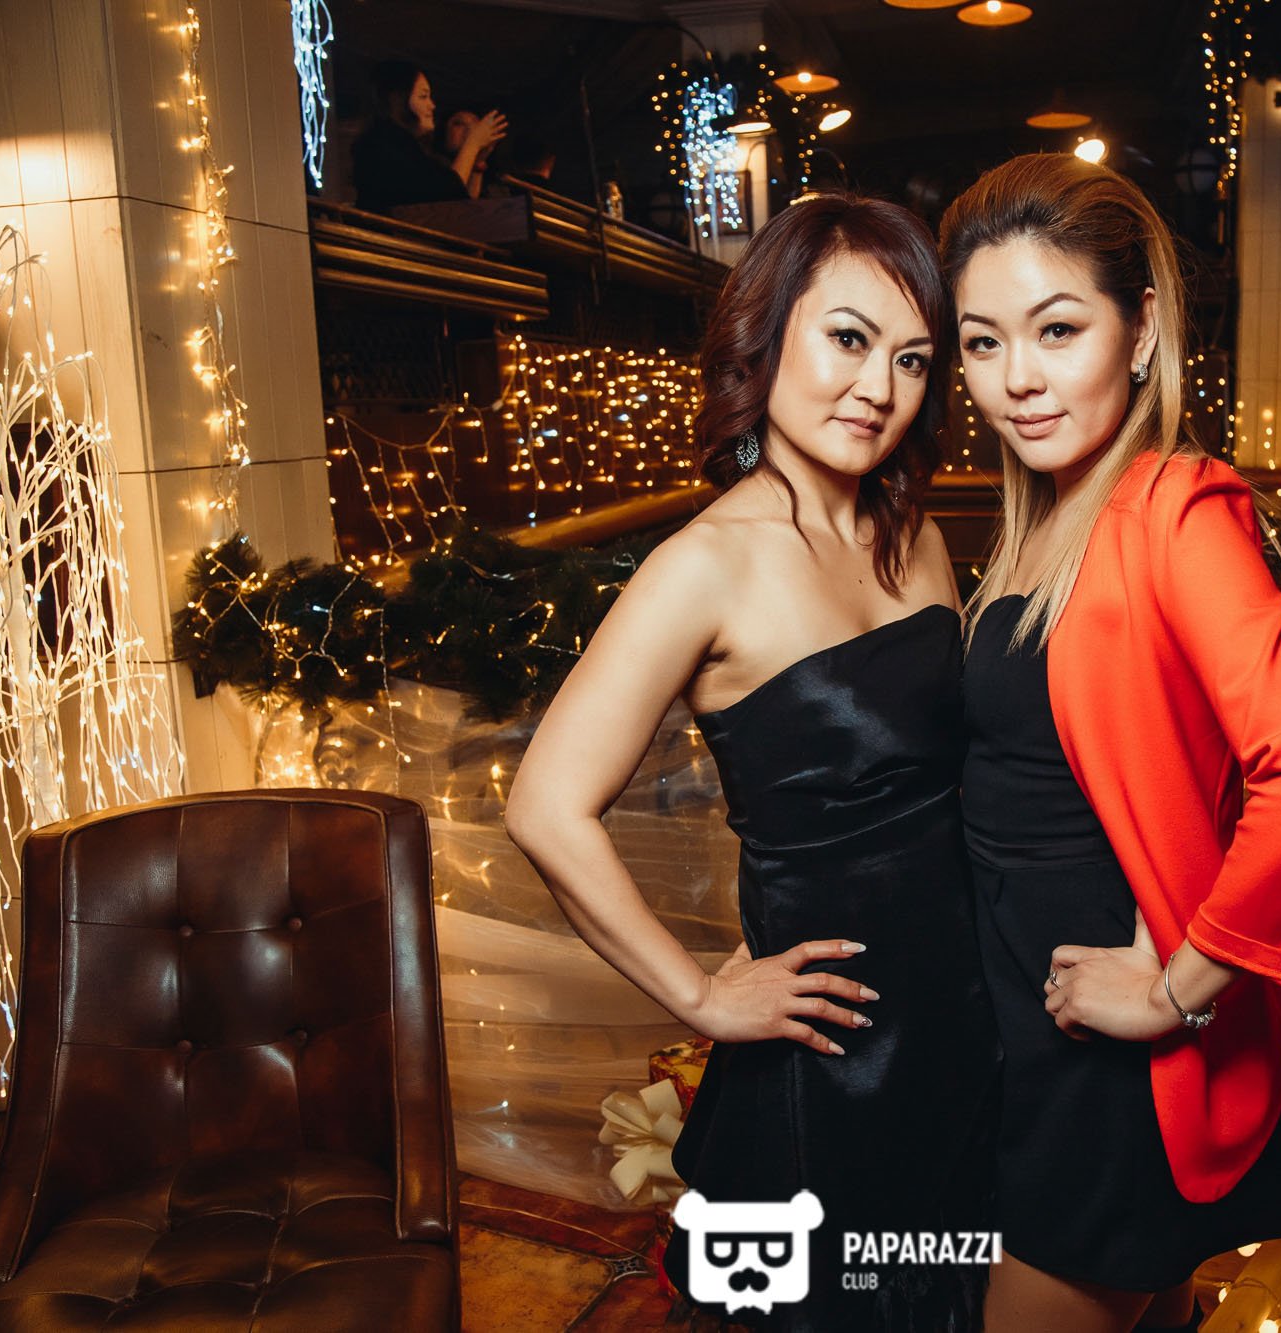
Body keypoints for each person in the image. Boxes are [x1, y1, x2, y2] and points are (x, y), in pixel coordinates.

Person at [505, 194, 998, 1331]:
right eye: (848, 338)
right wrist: (697, 995)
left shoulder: (916, 534)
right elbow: (545, 806)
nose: (877, 387)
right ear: (765, 335)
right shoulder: (704, 564)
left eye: (911, 359)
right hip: (831, 1048)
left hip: (967, 1016)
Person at [940, 154, 1281, 1333]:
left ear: (1139, 333)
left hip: (1107, 1062)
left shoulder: (1172, 505)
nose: (1015, 378)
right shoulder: (1036, 522)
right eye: (981, 342)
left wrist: (1178, 992)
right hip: (1034, 1030)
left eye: (1056, 329)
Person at [351, 60, 504, 211]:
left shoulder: (408, 147)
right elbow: (446, 195)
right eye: (423, 97)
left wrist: (477, 161)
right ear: (398, 100)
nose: (432, 105)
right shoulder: (384, 145)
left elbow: (462, 206)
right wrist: (473, 143)